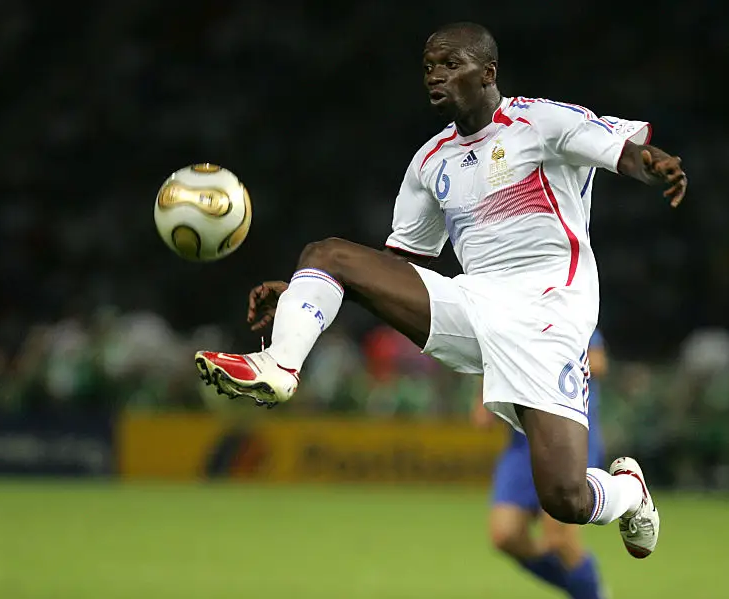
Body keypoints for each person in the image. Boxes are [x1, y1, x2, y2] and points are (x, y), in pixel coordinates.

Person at [195, 22, 687, 557]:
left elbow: (623, 151)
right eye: (429, 67)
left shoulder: (539, 121)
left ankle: (629, 493)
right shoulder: (430, 162)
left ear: (488, 73)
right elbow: (398, 268)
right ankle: (278, 366)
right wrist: (306, 289)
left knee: (564, 497)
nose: (436, 76)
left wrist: (654, 164)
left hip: (547, 314)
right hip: (475, 303)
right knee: (327, 255)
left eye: (451, 65)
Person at [476, 329, 618, 599]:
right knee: (505, 535)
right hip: (522, 443)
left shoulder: (565, 312)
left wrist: (536, 363)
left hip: (567, 439)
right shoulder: (504, 318)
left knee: (560, 538)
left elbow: (597, 363)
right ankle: (583, 589)